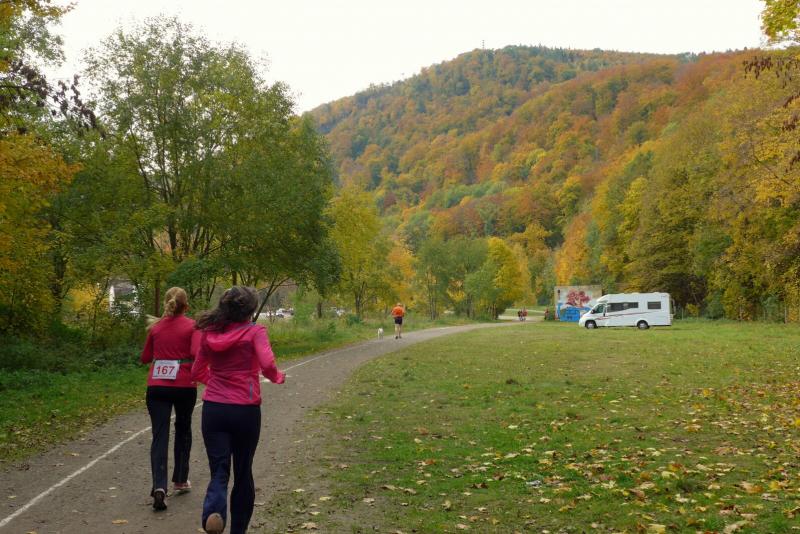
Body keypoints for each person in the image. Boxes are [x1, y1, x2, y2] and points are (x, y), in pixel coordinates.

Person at [192, 286, 286, 534]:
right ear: (251, 310)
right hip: (245, 410)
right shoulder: (255, 332)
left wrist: (215, 382)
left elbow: (196, 371)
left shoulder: (209, 334)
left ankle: (214, 511)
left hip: (214, 410)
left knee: (219, 470)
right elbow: (267, 364)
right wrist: (277, 377)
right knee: (243, 472)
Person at [140, 287, 199, 512]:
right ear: (186, 306)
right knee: (183, 429)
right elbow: (196, 353)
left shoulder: (155, 328)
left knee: (159, 435)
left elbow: (145, 357)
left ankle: (159, 487)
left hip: (157, 387)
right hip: (184, 385)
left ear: (167, 303)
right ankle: (181, 479)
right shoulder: (193, 326)